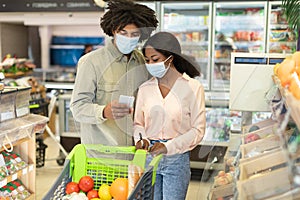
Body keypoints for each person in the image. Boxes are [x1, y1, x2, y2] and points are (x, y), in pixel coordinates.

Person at [70, 0, 158, 145]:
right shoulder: (91, 62)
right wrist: (103, 112)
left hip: (136, 152)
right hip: (103, 155)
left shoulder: (143, 62)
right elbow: (78, 108)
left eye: (134, 34)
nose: (129, 38)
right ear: (113, 30)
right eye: (123, 32)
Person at [134, 32, 206, 200]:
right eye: (147, 60)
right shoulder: (145, 88)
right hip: (148, 157)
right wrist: (142, 138)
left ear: (170, 58)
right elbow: (138, 123)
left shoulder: (193, 88)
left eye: (155, 59)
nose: (150, 64)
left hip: (177, 159)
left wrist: (169, 147)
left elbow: (198, 130)